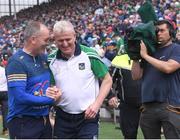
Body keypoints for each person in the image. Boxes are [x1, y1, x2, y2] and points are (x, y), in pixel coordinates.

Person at [48, 20, 112, 139]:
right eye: (60, 41)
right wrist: (53, 95)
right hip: (62, 117)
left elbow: (107, 80)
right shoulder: (50, 60)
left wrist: (96, 105)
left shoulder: (89, 55)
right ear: (55, 40)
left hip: (88, 117)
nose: (65, 44)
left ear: (74, 36)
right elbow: (51, 87)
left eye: (68, 39)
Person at [6, 21, 61, 139]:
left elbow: (47, 84)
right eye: (45, 40)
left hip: (43, 120)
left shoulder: (43, 58)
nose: (47, 44)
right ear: (33, 39)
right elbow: (19, 96)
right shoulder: (17, 62)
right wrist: (50, 100)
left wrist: (54, 90)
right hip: (24, 122)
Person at [131, 20, 180, 139]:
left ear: (171, 33)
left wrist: (145, 56)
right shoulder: (149, 51)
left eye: (162, 30)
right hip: (147, 106)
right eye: (156, 31)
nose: (158, 33)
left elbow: (168, 68)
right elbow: (136, 76)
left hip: (169, 105)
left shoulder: (176, 49)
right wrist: (136, 57)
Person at [108, 68, 141, 139]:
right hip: (128, 106)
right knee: (129, 135)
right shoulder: (119, 60)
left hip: (149, 105)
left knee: (152, 135)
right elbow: (107, 80)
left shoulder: (149, 58)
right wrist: (111, 96)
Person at [0, 64, 8, 135]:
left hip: (3, 90)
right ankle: (5, 130)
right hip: (4, 91)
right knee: (5, 111)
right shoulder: (4, 69)